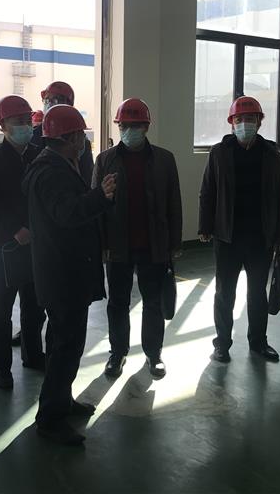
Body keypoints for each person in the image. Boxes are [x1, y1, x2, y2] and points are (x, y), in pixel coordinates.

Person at [23, 104, 117, 445]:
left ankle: (62, 402)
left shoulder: (54, 165)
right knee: (65, 347)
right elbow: (67, 213)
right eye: (80, 135)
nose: (84, 141)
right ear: (69, 137)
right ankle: (50, 419)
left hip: (63, 272)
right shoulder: (51, 172)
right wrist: (100, 196)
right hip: (63, 276)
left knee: (66, 345)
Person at [93, 98, 182, 379]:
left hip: (153, 245)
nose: (129, 130)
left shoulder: (164, 159)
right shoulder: (104, 160)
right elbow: (96, 206)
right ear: (119, 127)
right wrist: (101, 244)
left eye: (135, 125)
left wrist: (175, 243)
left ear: (146, 127)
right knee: (117, 303)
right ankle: (117, 353)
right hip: (118, 246)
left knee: (152, 302)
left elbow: (174, 203)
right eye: (125, 126)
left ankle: (154, 354)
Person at [199, 96, 280, 364]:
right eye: (239, 119)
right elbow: (208, 191)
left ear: (259, 122)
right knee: (224, 293)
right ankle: (222, 344)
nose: (244, 124)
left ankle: (258, 342)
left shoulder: (272, 156)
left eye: (250, 119)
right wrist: (205, 225)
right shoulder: (219, 153)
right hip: (227, 236)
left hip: (261, 237)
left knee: (257, 293)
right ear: (231, 123)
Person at [0, 95, 48, 389]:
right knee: (0, 311)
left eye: (27, 121)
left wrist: (34, 229)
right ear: (2, 126)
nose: (24, 126)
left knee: (35, 307)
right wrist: (14, 229)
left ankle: (33, 355)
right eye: (17, 121)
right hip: (5, 247)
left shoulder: (41, 156)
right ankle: (1, 368)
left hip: (36, 245)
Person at [30, 81, 95, 185]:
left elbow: (87, 177)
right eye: (47, 100)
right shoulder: (32, 138)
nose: (49, 103)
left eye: (55, 100)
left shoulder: (81, 141)